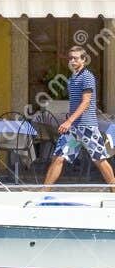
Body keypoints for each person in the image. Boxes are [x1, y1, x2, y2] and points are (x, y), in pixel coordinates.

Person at [44, 44, 115, 189]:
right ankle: (42, 192)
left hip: (87, 127)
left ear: (84, 60)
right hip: (74, 131)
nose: (72, 61)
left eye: (75, 59)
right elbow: (76, 103)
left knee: (99, 159)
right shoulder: (73, 77)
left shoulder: (87, 77)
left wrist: (69, 120)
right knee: (58, 157)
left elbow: (86, 102)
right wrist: (69, 117)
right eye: (70, 58)